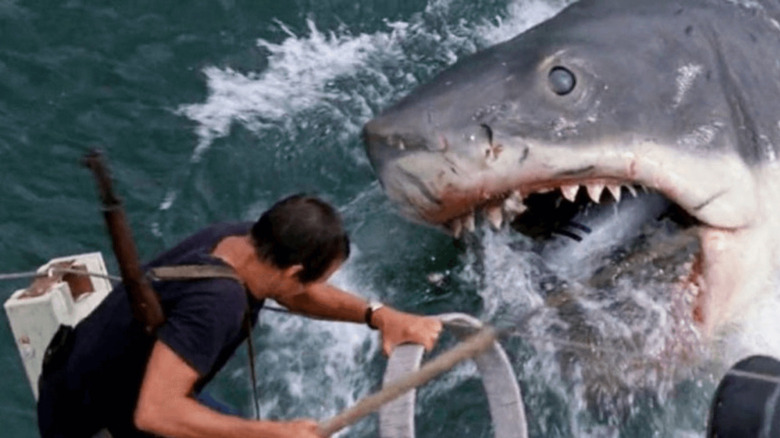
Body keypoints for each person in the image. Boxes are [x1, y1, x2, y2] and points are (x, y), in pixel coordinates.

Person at [37, 194, 443, 438]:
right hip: (90, 426)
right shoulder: (218, 304)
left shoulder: (238, 240)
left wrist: (377, 315)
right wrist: (270, 433)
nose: (304, 291)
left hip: (81, 377)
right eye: (308, 280)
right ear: (292, 271)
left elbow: (299, 294)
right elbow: (156, 412)